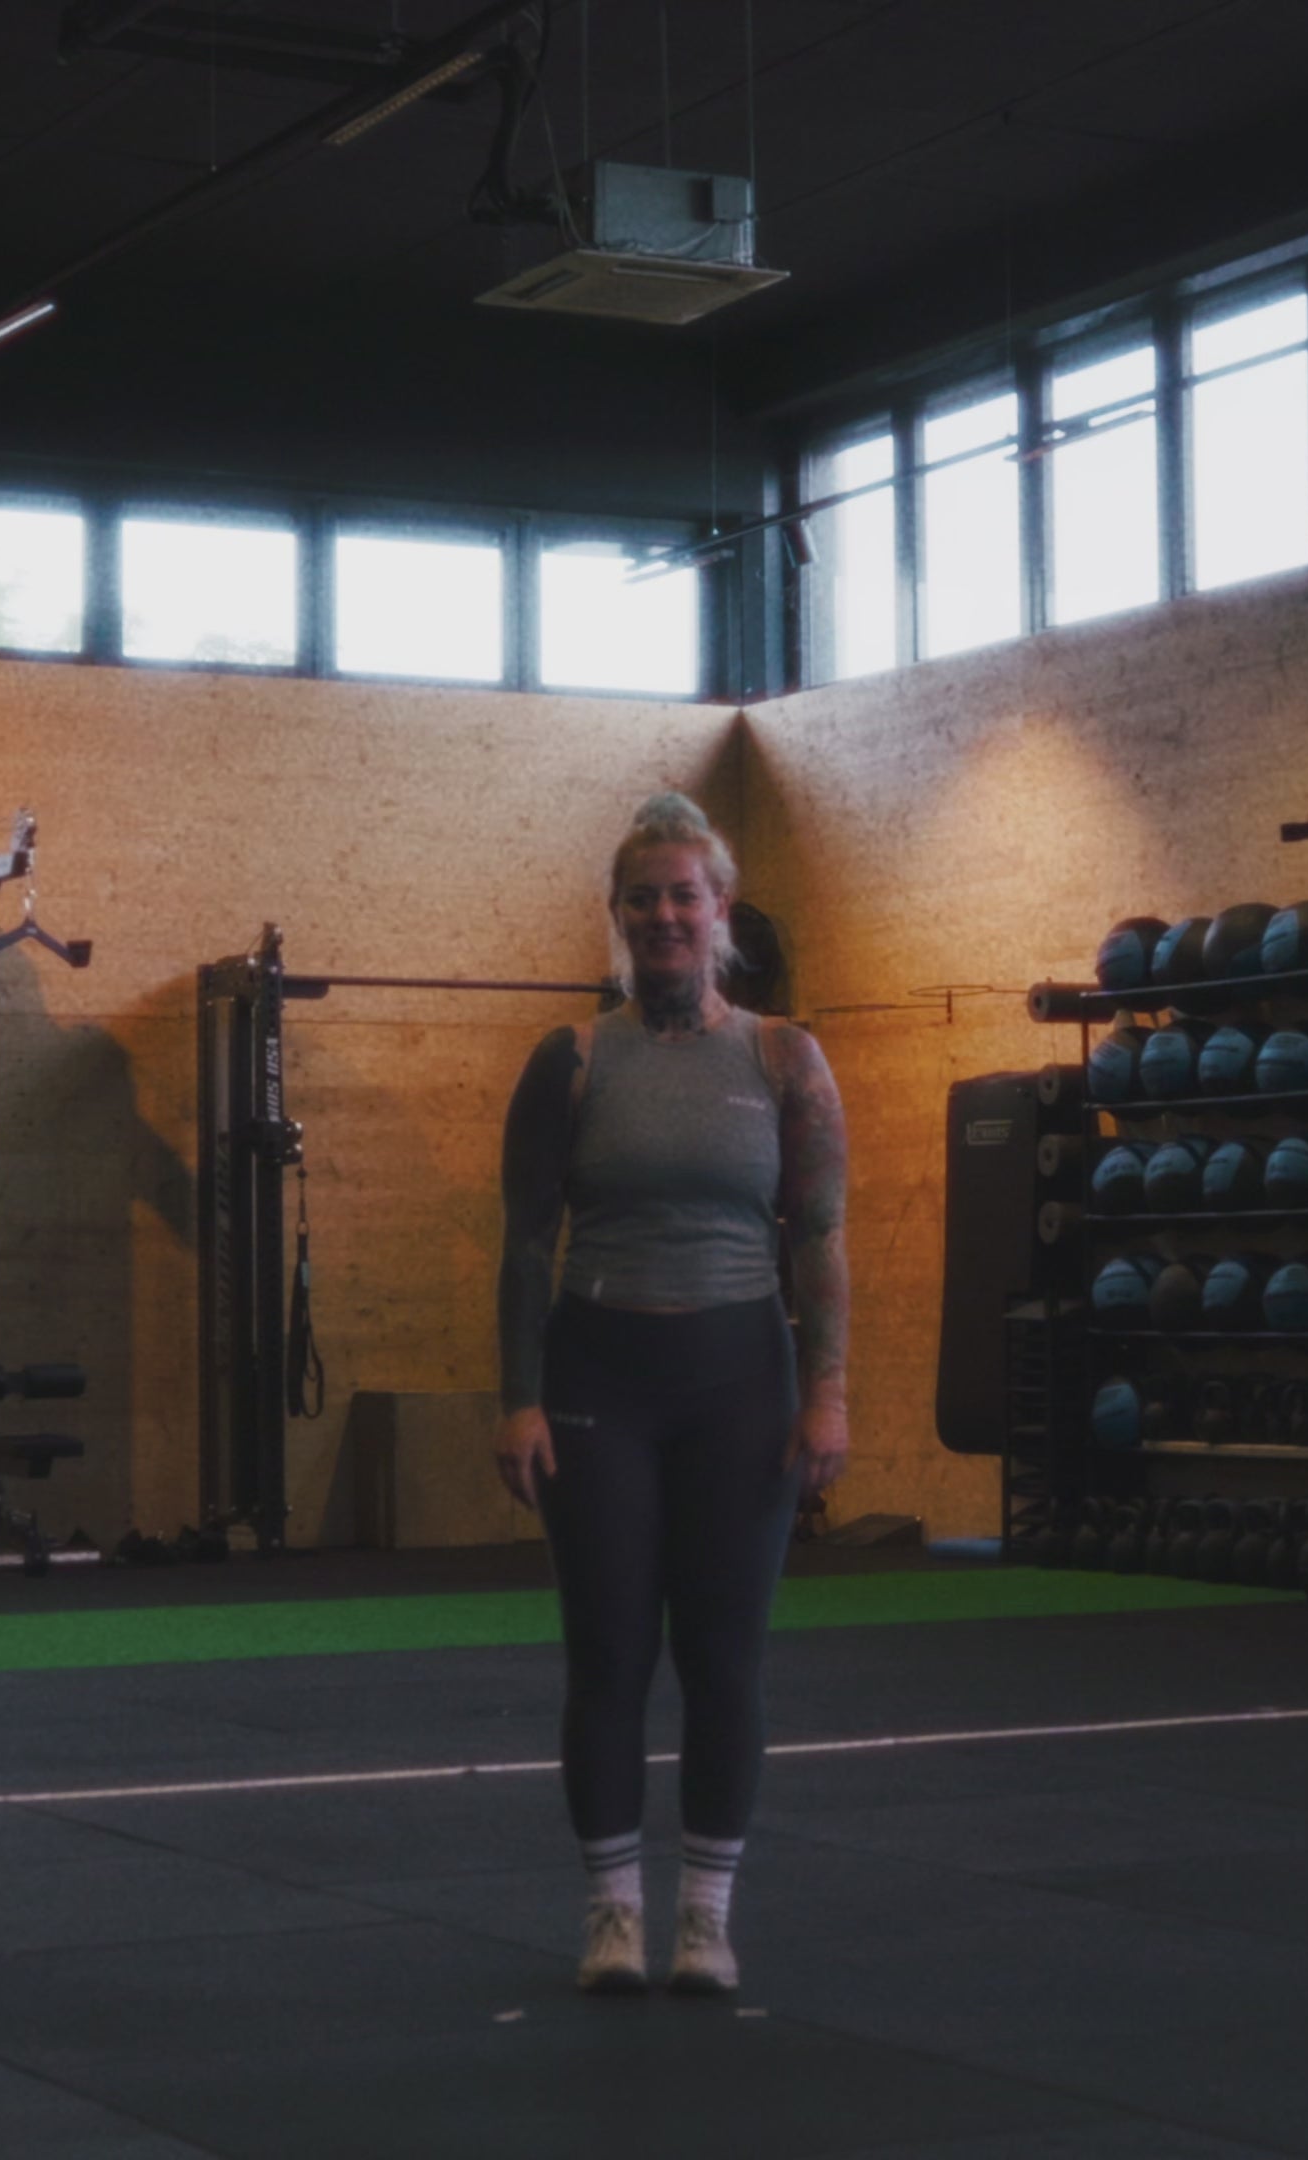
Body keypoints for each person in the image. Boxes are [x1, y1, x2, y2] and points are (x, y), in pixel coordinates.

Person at [493, 789, 849, 1997]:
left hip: (742, 1384)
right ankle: (610, 1915)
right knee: (607, 1656)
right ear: (618, 914)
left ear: (720, 911)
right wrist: (519, 1396)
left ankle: (704, 1917)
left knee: (726, 1660)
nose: (663, 916)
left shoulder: (786, 1059)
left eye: (683, 896)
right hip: (601, 1381)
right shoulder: (575, 1060)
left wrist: (830, 1396)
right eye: (641, 898)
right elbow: (524, 1241)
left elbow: (825, 1242)